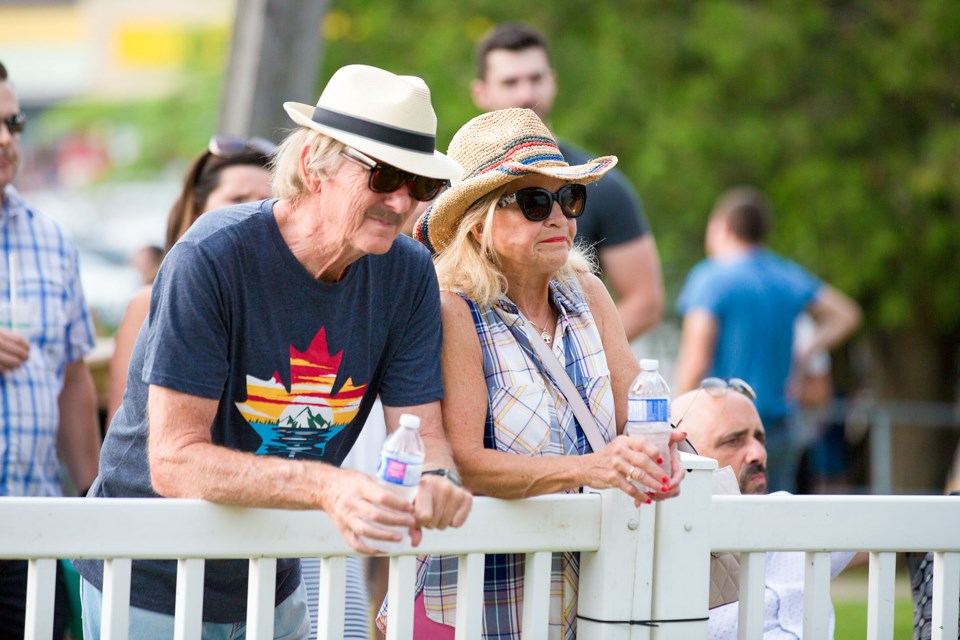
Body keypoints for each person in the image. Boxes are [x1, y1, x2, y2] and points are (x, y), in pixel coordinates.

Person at [74, 64, 473, 638]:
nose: (403, 201)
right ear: (315, 165)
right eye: (385, 176)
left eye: (422, 185)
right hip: (151, 577)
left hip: (273, 574)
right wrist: (329, 486)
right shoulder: (211, 256)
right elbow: (174, 459)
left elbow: (423, 435)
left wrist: (438, 480)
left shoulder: (408, 271)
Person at [382, 107, 686, 640]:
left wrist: (665, 446)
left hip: (579, 590)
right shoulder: (454, 309)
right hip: (473, 592)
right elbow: (467, 465)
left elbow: (633, 417)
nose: (560, 219)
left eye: (569, 200)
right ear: (478, 222)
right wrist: (591, 468)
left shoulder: (589, 294)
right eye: (534, 201)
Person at [470, 23, 664, 341]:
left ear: (553, 82)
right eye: (510, 82)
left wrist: (577, 359)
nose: (526, 94)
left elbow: (645, 301)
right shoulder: (454, 188)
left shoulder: (604, 186)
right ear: (481, 92)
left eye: (536, 78)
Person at [0, 59, 101, 638]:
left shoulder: (50, 236)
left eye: (13, 123)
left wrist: (91, 498)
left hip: (34, 534)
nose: (5, 139)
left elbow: (72, 375)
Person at [674, 186, 862, 492]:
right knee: (775, 526)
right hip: (779, 429)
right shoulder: (787, 276)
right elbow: (846, 314)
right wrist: (807, 353)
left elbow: (695, 362)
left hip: (725, 436)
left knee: (722, 526)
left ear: (723, 225)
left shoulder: (711, 278)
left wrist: (675, 422)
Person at [106, 136, 275, 425]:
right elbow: (121, 425)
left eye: (267, 202)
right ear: (198, 209)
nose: (252, 214)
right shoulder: (150, 301)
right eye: (237, 200)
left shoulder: (280, 306)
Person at [672, 379, 857, 639]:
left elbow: (891, 530)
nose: (758, 453)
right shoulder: (664, 550)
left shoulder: (797, 518)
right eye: (733, 441)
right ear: (682, 456)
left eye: (760, 438)